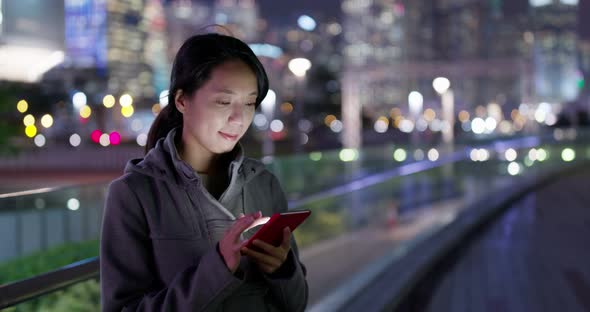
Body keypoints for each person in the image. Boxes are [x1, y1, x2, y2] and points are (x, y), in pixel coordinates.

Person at [100, 33, 308, 311]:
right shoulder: (135, 192)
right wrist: (218, 268)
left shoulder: (264, 183)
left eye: (249, 103)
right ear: (182, 100)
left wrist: (282, 270)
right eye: (224, 102)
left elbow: (297, 303)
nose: (239, 118)